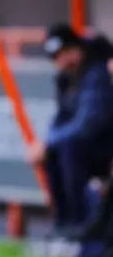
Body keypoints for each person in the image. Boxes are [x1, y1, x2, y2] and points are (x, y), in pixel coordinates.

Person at [28, 23, 113, 237]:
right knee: (57, 150)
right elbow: (61, 119)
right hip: (83, 144)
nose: (61, 61)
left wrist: (50, 144)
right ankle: (63, 222)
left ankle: (80, 223)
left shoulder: (96, 74)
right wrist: (46, 145)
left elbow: (89, 124)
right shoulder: (66, 79)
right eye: (56, 56)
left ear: (77, 49)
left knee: (68, 148)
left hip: (103, 144)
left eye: (65, 53)